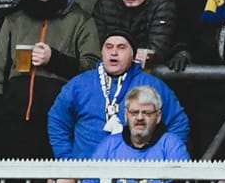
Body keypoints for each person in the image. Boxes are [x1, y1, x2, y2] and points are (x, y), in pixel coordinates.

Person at [48, 30, 188, 161]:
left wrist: (164, 159)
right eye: (108, 47)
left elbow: (178, 122)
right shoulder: (79, 84)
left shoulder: (152, 84)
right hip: (86, 171)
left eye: (121, 47)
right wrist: (66, 160)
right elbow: (57, 120)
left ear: (133, 55)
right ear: (102, 52)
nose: (114, 52)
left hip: (136, 172)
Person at [90, 0, 179, 70]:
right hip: (109, 68)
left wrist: (122, 55)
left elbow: (157, 49)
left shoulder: (163, 3)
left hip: (145, 70)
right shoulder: (105, 4)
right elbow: (96, 45)